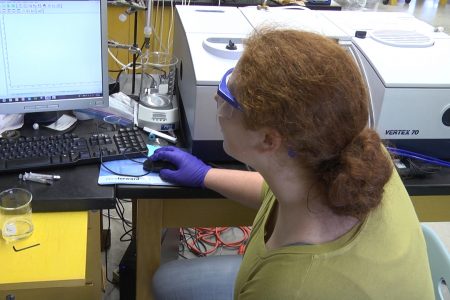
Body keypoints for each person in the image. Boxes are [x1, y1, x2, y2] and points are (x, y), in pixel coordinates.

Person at [151, 28, 434, 299]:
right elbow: (273, 189)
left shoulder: (289, 288)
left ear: (268, 140)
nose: (217, 100)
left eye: (228, 98)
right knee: (167, 281)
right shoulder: (357, 156)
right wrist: (205, 175)